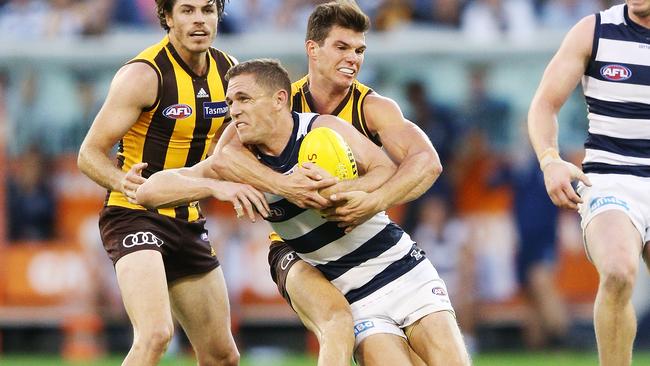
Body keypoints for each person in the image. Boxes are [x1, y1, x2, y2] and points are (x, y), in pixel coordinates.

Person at [136, 58, 471, 366]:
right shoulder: (241, 160)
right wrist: (215, 187)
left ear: (280, 99)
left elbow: (383, 169)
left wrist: (339, 189)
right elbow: (150, 191)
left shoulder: (322, 130)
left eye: (244, 99)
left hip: (399, 266)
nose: (233, 111)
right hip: (348, 288)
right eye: (230, 102)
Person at [211, 1, 446, 364]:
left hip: (358, 238)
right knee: (336, 323)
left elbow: (426, 162)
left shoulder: (373, 107)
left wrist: (371, 199)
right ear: (312, 49)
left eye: (360, 50)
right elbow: (223, 155)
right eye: (342, 47)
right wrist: (286, 185)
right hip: (296, 247)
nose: (353, 58)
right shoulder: (278, 102)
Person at [77, 1, 269, 365]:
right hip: (134, 215)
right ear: (166, 17)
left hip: (187, 218)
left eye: (208, 10)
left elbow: (237, 147)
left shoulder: (229, 72)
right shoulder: (144, 75)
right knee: (155, 335)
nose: (199, 20)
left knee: (223, 355)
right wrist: (126, 182)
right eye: (187, 10)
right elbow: (88, 154)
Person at [528, 1, 650, 365]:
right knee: (617, 270)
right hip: (612, 180)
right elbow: (544, 105)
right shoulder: (593, 31)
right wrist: (550, 161)